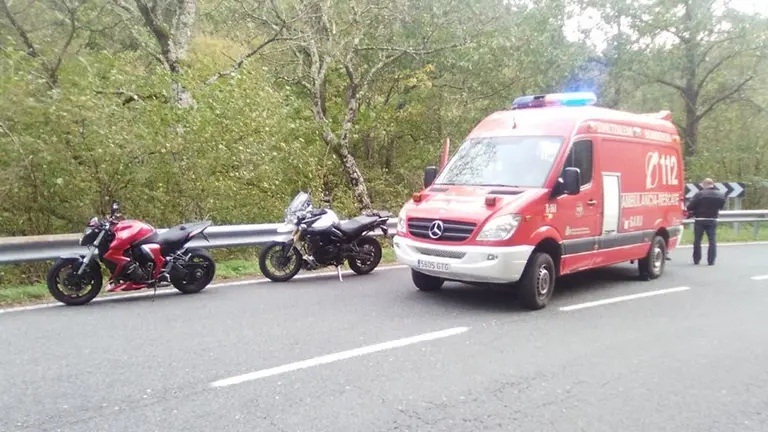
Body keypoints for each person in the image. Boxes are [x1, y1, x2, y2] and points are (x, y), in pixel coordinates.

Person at [686, 178, 726, 265]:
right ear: (712, 184)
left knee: (697, 240)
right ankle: (711, 261)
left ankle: (697, 259)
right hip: (712, 219)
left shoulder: (700, 194)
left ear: (704, 184)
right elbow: (721, 207)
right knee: (712, 241)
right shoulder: (720, 195)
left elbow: (689, 207)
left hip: (700, 220)